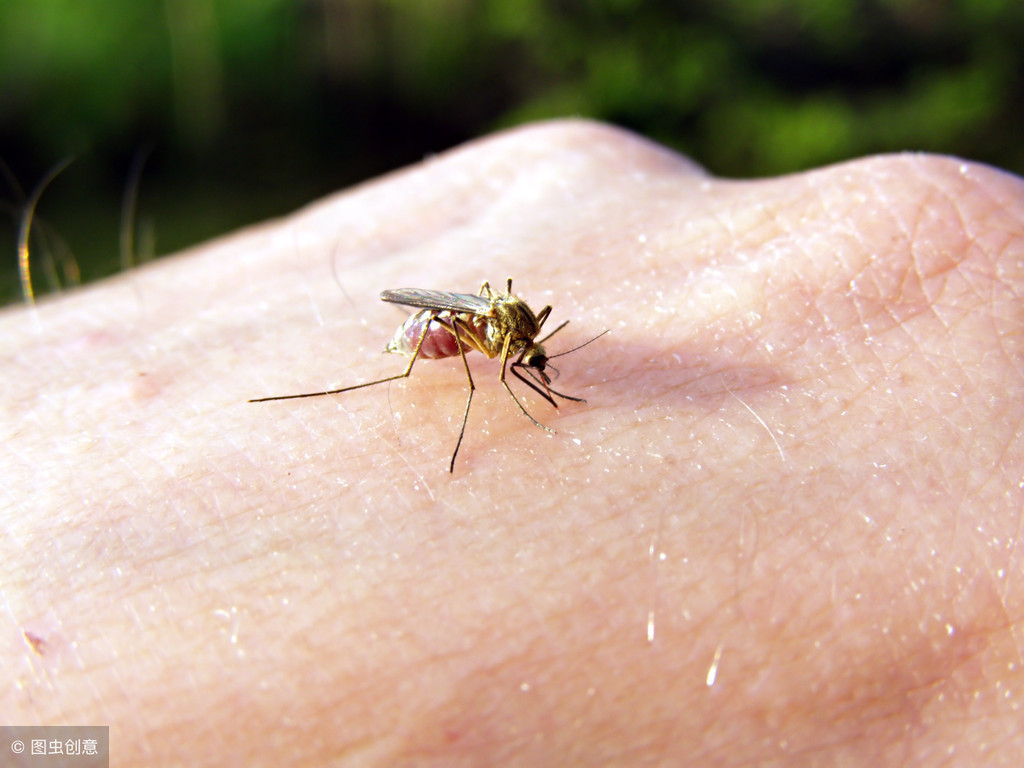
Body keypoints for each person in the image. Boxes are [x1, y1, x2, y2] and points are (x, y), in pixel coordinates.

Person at [4, 120, 1021, 766]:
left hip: (470, 315)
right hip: (427, 330)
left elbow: (519, 337)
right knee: (456, 363)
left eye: (530, 353)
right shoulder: (478, 332)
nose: (534, 361)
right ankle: (377, 383)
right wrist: (475, 366)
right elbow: (476, 334)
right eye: (529, 353)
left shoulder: (521, 330)